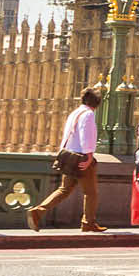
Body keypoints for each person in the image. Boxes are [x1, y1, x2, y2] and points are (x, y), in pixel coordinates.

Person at [29, 88, 105, 232]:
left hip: (69, 156)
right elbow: (86, 135)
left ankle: (38, 211)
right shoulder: (88, 114)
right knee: (91, 193)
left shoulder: (75, 113)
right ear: (97, 104)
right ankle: (88, 222)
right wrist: (89, 156)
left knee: (64, 189)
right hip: (81, 158)